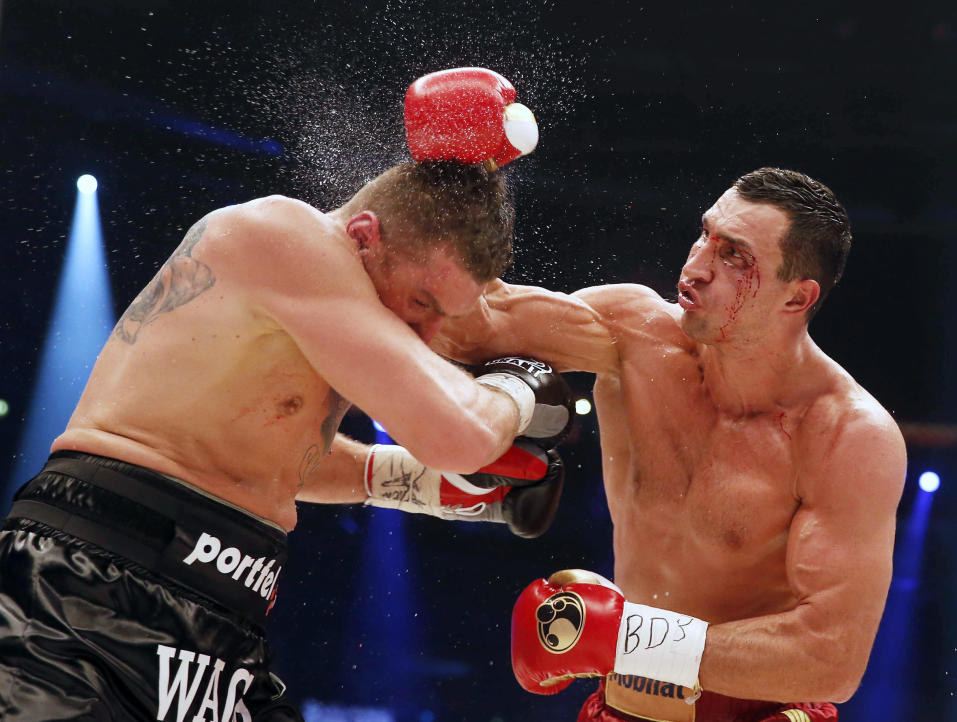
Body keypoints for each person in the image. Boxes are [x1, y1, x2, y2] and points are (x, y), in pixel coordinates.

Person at [0, 69, 571, 720]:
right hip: (83, 592)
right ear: (363, 235)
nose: (428, 333)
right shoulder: (285, 235)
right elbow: (460, 434)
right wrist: (518, 388)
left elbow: (277, 456)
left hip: (226, 617)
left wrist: (437, 490)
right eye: (421, 301)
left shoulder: (328, 311)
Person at [433, 167, 907, 721]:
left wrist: (620, 640)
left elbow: (833, 661)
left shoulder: (845, 436)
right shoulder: (633, 333)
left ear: (796, 298)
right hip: (619, 705)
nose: (697, 266)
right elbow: (461, 327)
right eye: (705, 234)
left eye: (735, 256)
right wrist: (457, 182)